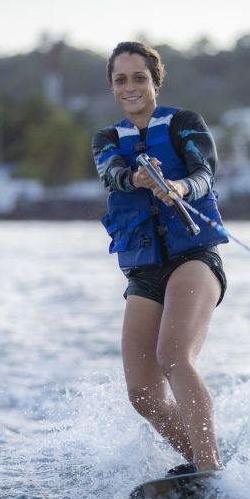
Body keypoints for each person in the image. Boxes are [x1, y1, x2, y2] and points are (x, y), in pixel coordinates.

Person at [92, 41, 229, 475]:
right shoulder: (108, 139)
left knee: (174, 358)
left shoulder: (184, 123)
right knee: (143, 394)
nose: (130, 87)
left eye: (139, 78)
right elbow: (111, 174)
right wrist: (136, 177)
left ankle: (209, 468)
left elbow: (205, 169)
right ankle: (199, 458)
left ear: (155, 81)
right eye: (121, 79)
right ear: (112, 86)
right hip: (145, 271)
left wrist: (181, 188)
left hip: (194, 259)